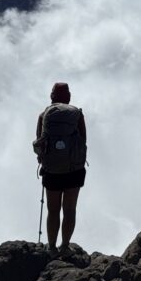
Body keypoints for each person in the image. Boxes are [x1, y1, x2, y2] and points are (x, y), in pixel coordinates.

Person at [34, 82, 87, 254]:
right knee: (70, 210)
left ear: (52, 97)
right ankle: (64, 247)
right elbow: (83, 141)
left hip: (52, 171)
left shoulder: (44, 115)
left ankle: (51, 247)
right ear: (69, 96)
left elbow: (40, 142)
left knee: (53, 209)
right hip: (74, 170)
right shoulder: (77, 114)